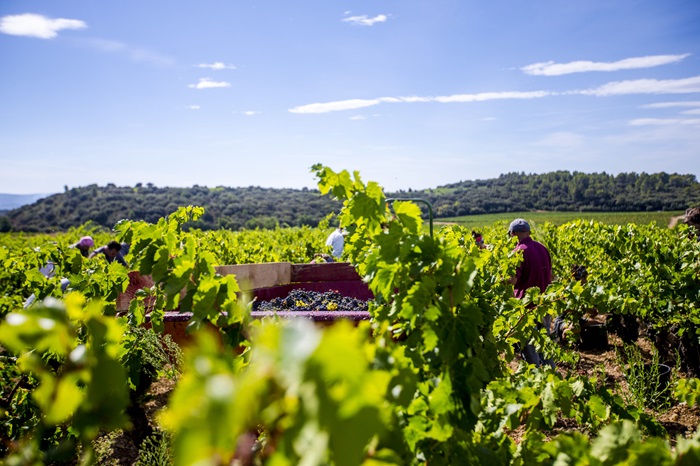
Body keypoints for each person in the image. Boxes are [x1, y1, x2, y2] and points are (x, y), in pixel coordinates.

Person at [506, 218, 554, 368]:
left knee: (529, 345)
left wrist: (499, 277)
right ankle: (551, 373)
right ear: (528, 231)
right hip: (545, 303)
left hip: (527, 307)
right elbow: (551, 276)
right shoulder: (542, 248)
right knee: (544, 341)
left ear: (513, 233)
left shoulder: (518, 252)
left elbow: (513, 281)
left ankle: (535, 377)